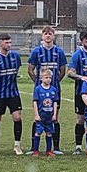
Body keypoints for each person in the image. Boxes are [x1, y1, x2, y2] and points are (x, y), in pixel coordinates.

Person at [28, 26, 68, 154]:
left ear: (54, 36)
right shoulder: (36, 51)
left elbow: (62, 70)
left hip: (54, 90)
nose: (48, 36)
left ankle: (55, 147)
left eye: (50, 34)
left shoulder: (59, 52)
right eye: (45, 34)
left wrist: (54, 84)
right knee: (38, 117)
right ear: (42, 36)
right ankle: (33, 148)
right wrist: (38, 83)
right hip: (40, 92)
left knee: (54, 117)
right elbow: (30, 69)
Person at [0, 33, 24, 155]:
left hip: (13, 93)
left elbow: (16, 70)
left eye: (10, 42)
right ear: (0, 43)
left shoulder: (15, 56)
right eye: (6, 42)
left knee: (17, 117)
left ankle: (17, 146)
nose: (9, 45)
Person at [30, 67, 60, 157]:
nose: (48, 79)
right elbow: (35, 102)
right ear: (41, 78)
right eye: (46, 77)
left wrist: (54, 114)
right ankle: (35, 150)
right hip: (41, 115)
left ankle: (48, 150)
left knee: (49, 133)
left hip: (49, 116)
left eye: (50, 78)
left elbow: (55, 102)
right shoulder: (38, 89)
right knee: (38, 132)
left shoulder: (53, 89)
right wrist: (36, 114)